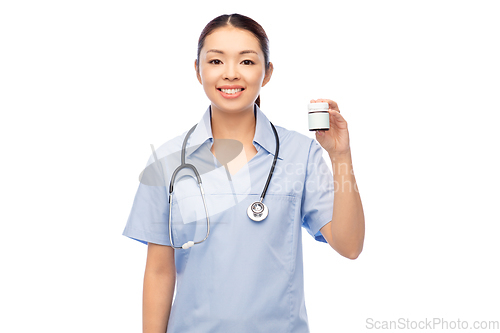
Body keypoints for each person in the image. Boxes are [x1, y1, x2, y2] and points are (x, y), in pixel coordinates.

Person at [122, 13, 365, 333]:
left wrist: (340, 155)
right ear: (198, 70)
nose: (231, 74)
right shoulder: (168, 161)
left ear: (267, 73)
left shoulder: (299, 153)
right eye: (216, 61)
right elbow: (159, 272)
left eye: (247, 62)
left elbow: (349, 246)